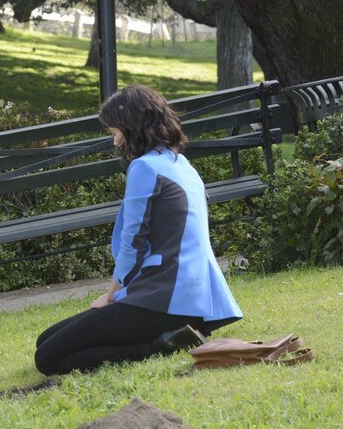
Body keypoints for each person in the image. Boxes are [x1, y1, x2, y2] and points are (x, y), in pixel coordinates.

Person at [34, 85, 242, 375]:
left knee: (48, 358)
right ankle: (174, 334)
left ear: (131, 126)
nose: (114, 139)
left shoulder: (145, 168)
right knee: (45, 339)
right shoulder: (180, 163)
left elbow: (133, 243)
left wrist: (110, 297)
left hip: (161, 301)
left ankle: (162, 345)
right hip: (189, 300)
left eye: (114, 131)